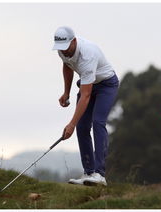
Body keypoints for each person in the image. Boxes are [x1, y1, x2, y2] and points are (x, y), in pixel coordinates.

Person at [52, 26, 119, 186]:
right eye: (60, 48)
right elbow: (67, 65)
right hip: (88, 84)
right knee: (82, 127)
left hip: (106, 85)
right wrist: (66, 92)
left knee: (98, 122)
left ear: (74, 41)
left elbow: (86, 95)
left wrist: (71, 124)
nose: (63, 51)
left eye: (66, 47)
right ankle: (88, 173)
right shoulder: (63, 49)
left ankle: (99, 175)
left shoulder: (87, 54)